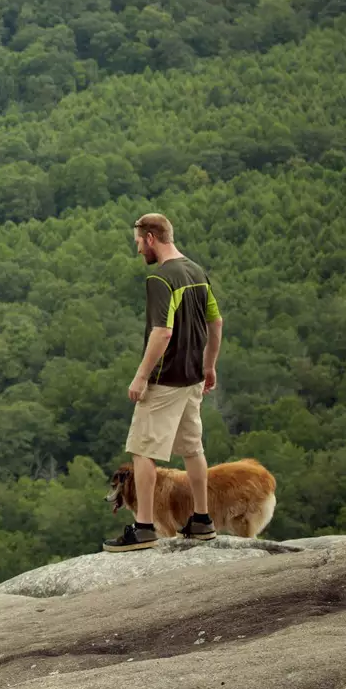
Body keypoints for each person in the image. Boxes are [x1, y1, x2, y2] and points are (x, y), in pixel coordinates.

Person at [103, 212, 223, 551]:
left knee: (142, 450)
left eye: (139, 243)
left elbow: (162, 332)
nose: (139, 251)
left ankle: (142, 527)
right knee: (192, 448)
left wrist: (141, 377)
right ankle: (202, 520)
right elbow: (216, 323)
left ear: (151, 238)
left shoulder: (161, 279)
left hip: (165, 379)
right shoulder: (197, 272)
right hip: (193, 378)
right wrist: (209, 366)